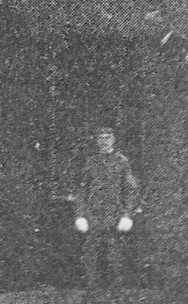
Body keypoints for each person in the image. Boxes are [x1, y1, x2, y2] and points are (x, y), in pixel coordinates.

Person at [73, 127, 140, 300]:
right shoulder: (91, 162)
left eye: (107, 138)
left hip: (114, 217)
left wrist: (127, 215)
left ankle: (116, 295)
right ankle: (92, 296)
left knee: (115, 258)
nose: (104, 141)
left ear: (113, 140)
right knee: (91, 257)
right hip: (93, 217)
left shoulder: (121, 161)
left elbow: (131, 190)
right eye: (100, 138)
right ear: (96, 141)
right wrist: (80, 215)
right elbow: (82, 190)